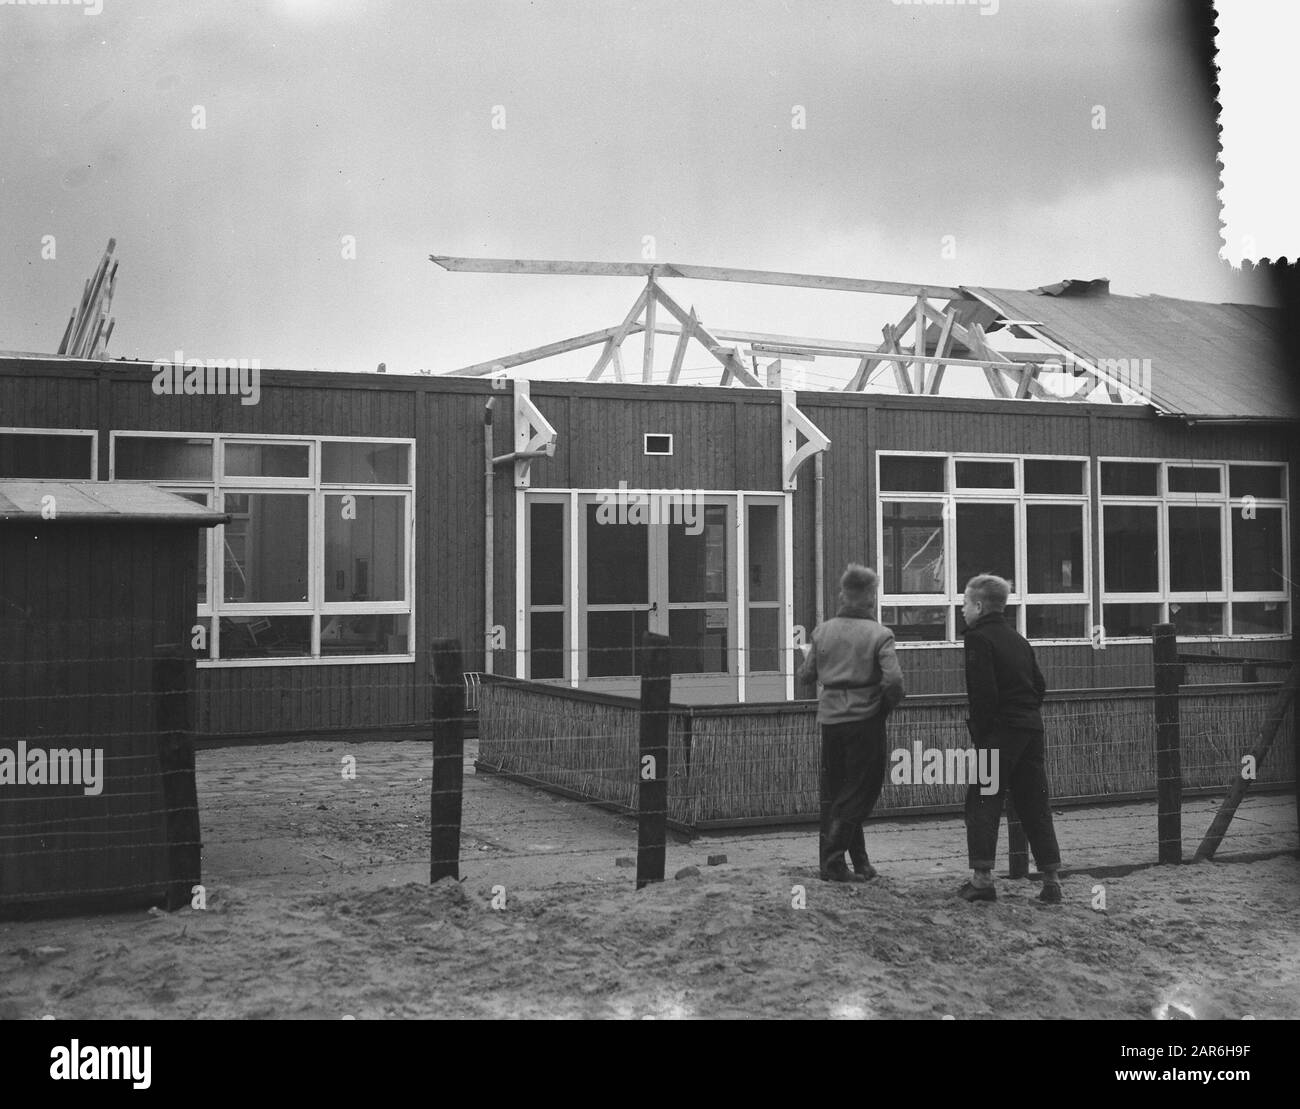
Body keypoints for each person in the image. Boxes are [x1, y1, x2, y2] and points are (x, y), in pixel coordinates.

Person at [958, 574, 1063, 904]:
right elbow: (1040, 686)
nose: (962, 610)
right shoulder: (1019, 639)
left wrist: (983, 733)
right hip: (1031, 729)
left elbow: (983, 693)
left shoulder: (978, 639)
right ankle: (1051, 879)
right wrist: (1025, 715)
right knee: (1034, 802)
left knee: (983, 800)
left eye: (964, 604)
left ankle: (982, 879)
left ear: (978, 605)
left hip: (1000, 732)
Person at [798, 563, 905, 882]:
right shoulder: (880, 635)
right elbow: (895, 681)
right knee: (862, 790)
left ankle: (859, 862)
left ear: (843, 595)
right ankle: (833, 859)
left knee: (839, 787)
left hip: (830, 719)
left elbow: (806, 676)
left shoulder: (822, 631)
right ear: (871, 597)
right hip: (866, 720)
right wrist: (884, 707)